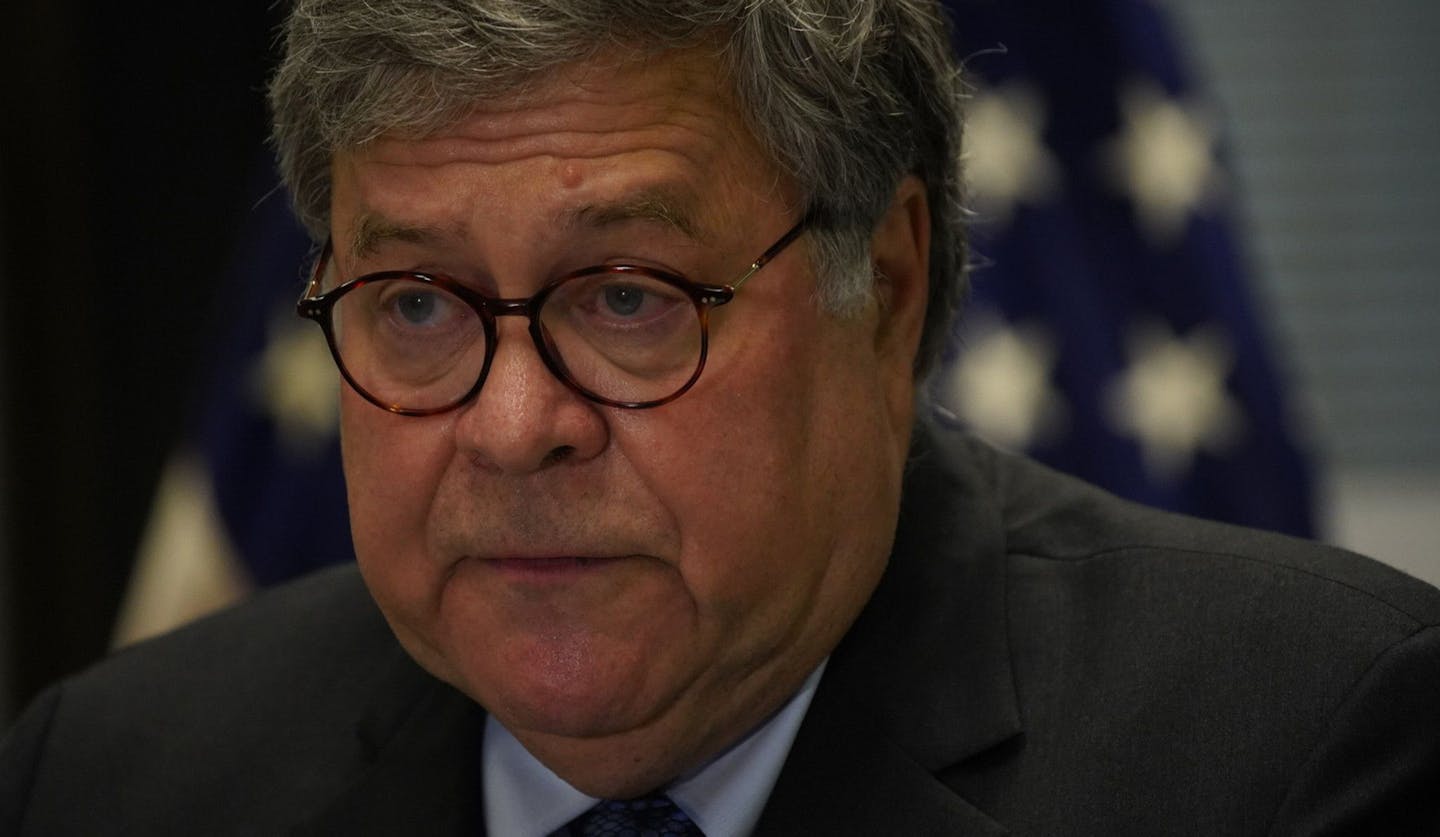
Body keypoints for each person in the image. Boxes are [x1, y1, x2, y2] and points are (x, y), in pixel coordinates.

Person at [2, 0, 1438, 833]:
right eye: (420, 303)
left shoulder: (1304, 761)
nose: (511, 426)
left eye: (628, 297)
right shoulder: (112, 783)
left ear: (880, 289)